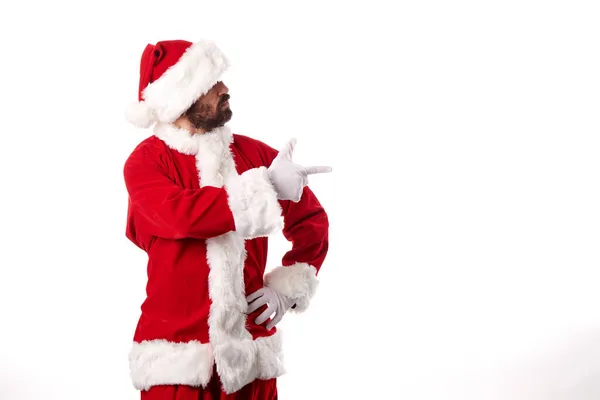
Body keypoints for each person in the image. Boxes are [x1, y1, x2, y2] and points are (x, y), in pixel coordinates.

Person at [122, 39, 331, 400]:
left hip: (250, 360)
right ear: (180, 98)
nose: (225, 89)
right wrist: (263, 187)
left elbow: (312, 219)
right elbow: (179, 215)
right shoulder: (146, 162)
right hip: (176, 364)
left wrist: (286, 288)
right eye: (211, 84)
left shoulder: (254, 154)